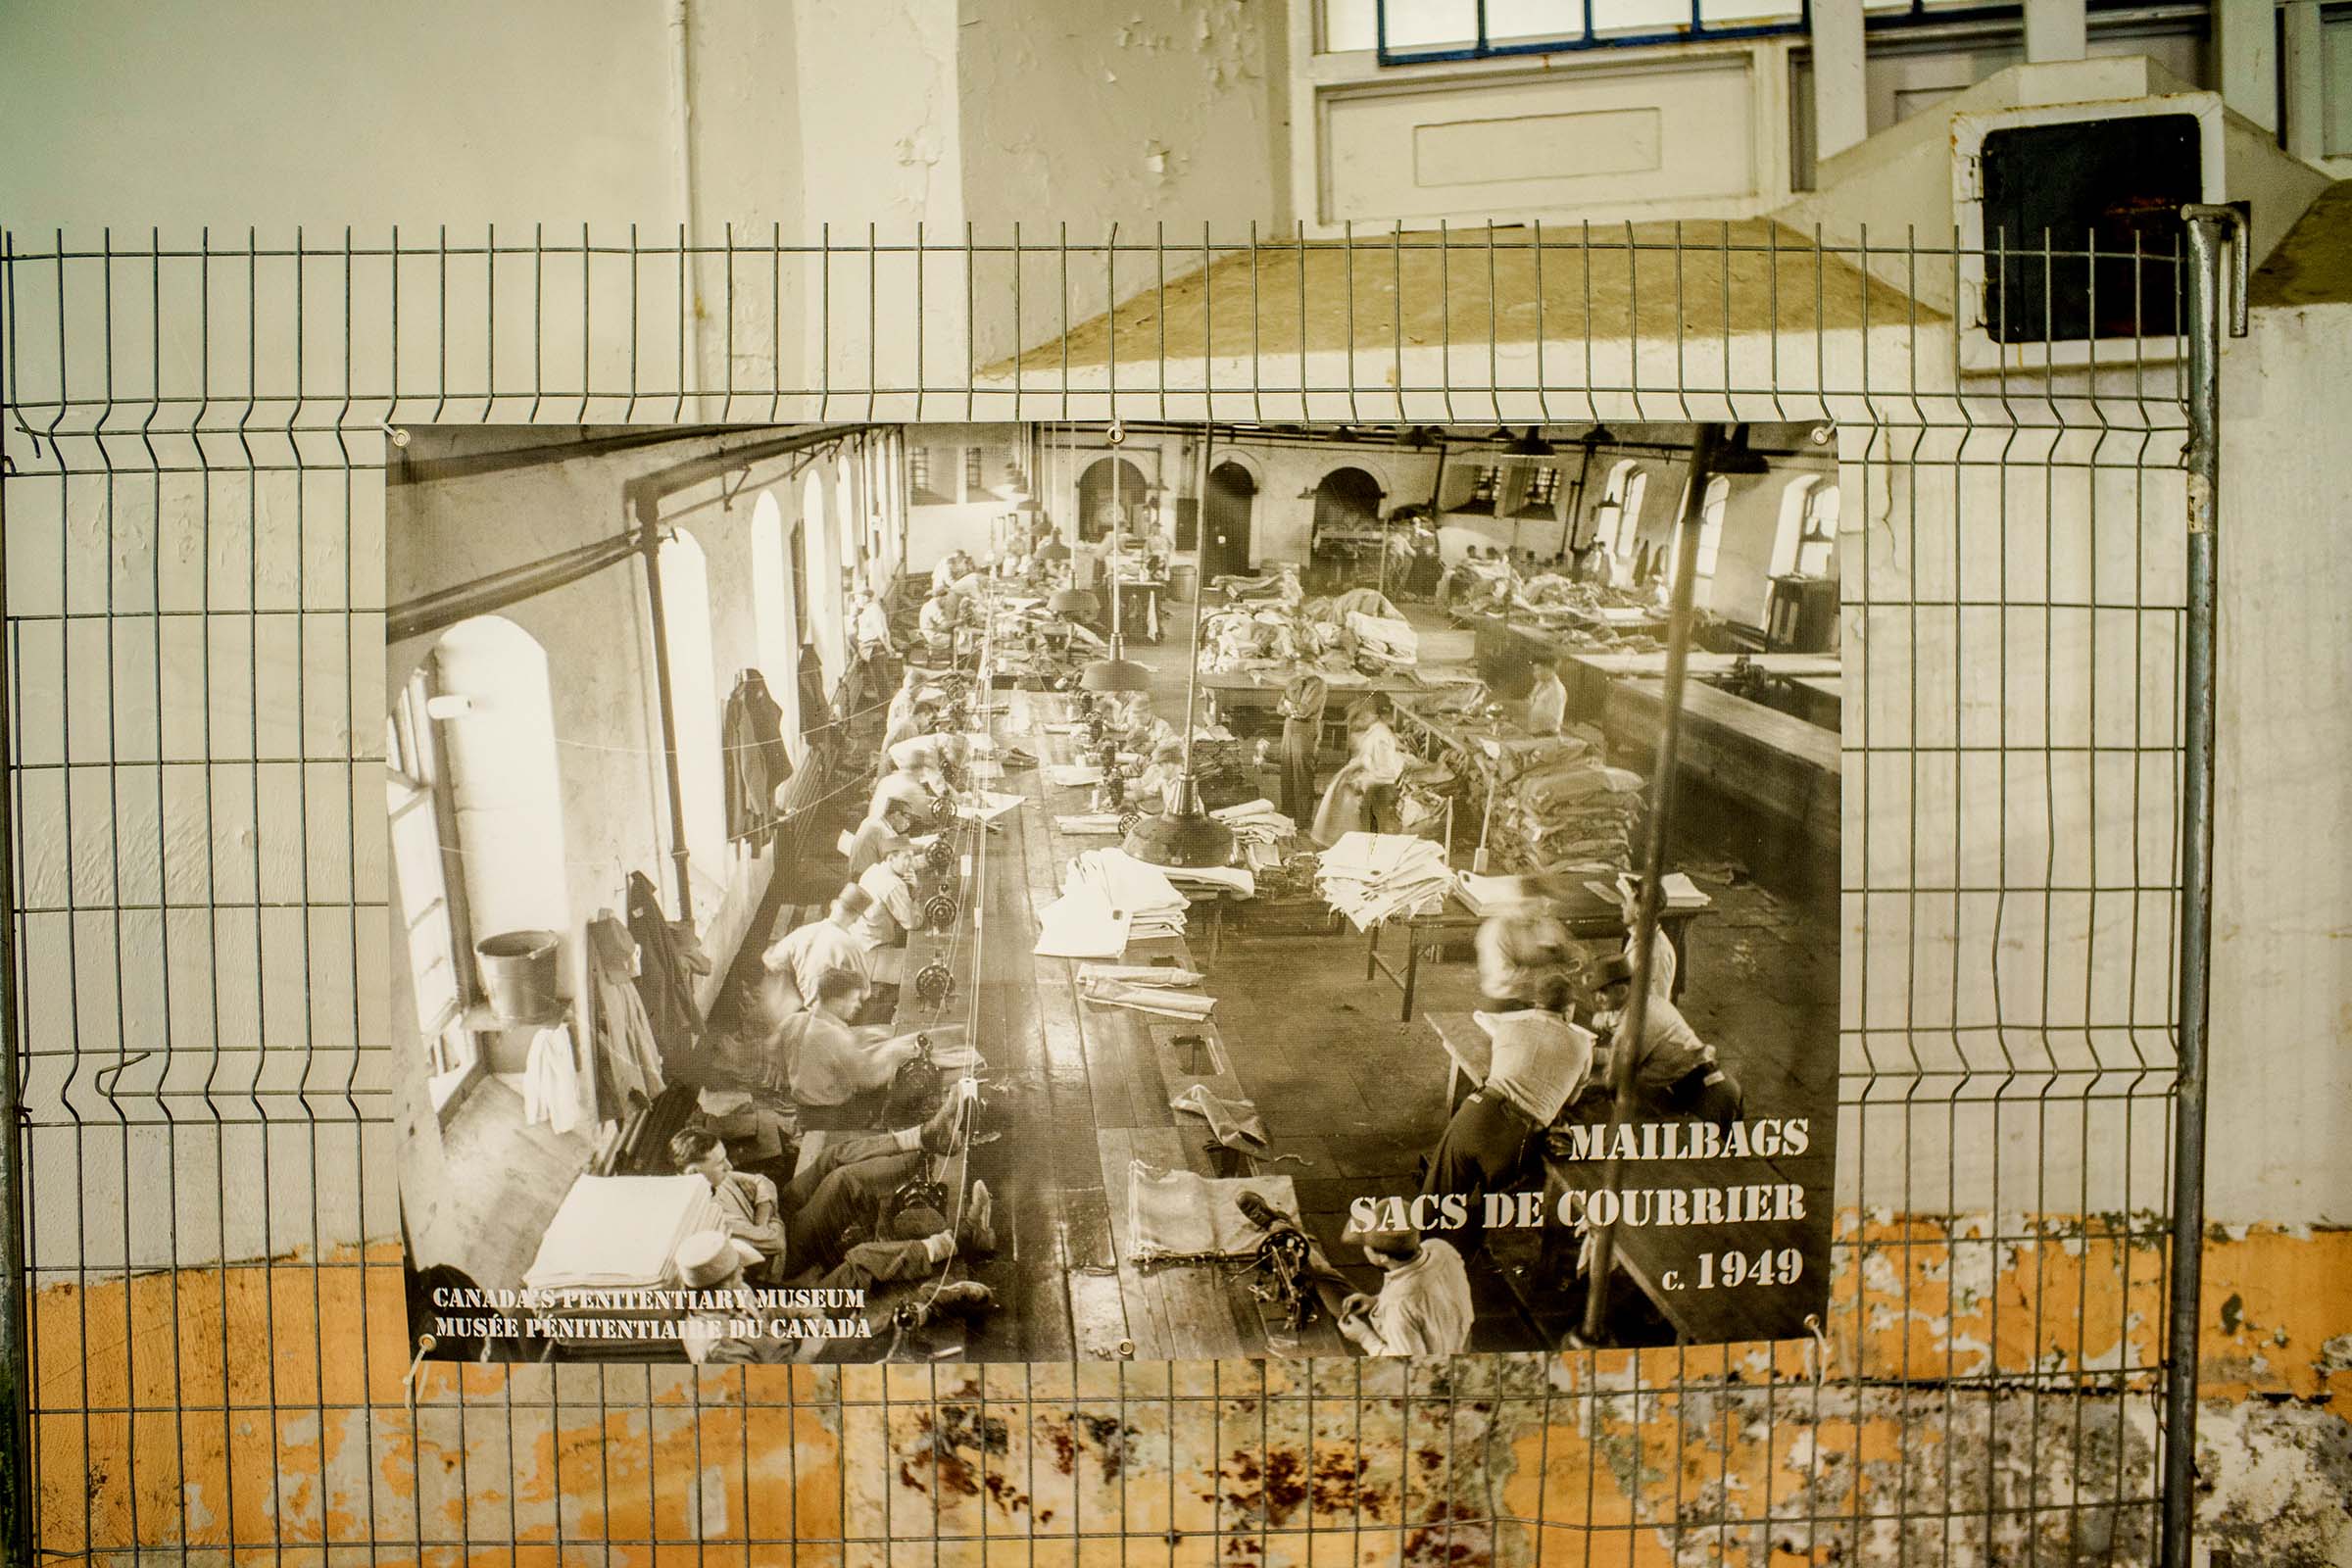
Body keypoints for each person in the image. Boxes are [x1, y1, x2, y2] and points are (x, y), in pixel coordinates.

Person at [667, 1107, 991, 1290]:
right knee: (843, 1181)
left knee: (829, 1157)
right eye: (720, 1163)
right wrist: (767, 1212)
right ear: (695, 1170)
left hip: (776, 1220)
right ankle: (957, 1237)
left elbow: (759, 1181)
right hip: (783, 1258)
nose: (730, 1165)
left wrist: (764, 1209)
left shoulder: (712, 1178)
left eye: (725, 1158)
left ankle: (923, 1138)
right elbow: (774, 1244)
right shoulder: (709, 1224)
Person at [1422, 926, 1592, 1252]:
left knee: (1437, 1195)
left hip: (1479, 1110)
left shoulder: (1508, 1027)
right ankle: (1459, 1262)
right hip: (1518, 1135)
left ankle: (1417, 1254)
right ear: (1569, 1010)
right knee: (1483, 1207)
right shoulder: (1582, 1044)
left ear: (1535, 1003)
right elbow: (1571, 1099)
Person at [672, 1229, 993, 1363]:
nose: (744, 1278)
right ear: (721, 1287)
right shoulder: (717, 1350)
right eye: (737, 1274)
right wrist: (814, 1349)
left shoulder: (732, 1293)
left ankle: (959, 1239)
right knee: (879, 1329)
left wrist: (814, 1320)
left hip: (805, 1336)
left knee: (862, 1258)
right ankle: (934, 1303)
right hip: (802, 1367)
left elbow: (777, 1309)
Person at [1587, 954, 1740, 1125]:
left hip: (1707, 1098)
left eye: (1602, 992)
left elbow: (1613, 1081)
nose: (1597, 999)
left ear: (1622, 991)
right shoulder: (1652, 1001)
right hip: (1720, 1084)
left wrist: (1587, 1065)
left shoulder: (1632, 1027)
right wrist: (1607, 1020)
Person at [777, 968, 930, 1108]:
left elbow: (777, 1058)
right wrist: (893, 1055)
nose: (858, 1006)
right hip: (829, 1115)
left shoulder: (792, 1021)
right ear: (837, 1002)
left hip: (801, 1105)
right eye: (854, 1000)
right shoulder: (835, 1037)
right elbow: (869, 1080)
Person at [1334, 1223, 1473, 1357]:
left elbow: (1405, 1362)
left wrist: (1364, 1337)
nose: (1364, 1248)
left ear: (1383, 1257)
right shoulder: (1440, 1248)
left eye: (1365, 1245)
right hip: (1461, 1338)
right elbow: (1428, 1296)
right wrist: (1376, 1300)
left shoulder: (1397, 1307)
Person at [763, 885, 878, 1013]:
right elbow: (864, 991)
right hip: (831, 1013)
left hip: (799, 1009)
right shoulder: (850, 945)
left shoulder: (801, 932)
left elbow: (771, 961)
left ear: (833, 905)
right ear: (856, 918)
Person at [852, 837, 925, 950]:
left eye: (912, 857)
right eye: (907, 858)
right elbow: (913, 923)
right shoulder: (893, 885)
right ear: (891, 859)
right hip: (875, 946)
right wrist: (917, 893)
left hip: (860, 937)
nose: (911, 863)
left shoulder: (873, 869)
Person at [1276, 669, 1328, 826]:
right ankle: (1287, 813)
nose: (1300, 668)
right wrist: (1293, 710)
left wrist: (1290, 708)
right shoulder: (1293, 682)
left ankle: (1303, 819)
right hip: (1289, 728)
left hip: (1305, 730)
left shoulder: (1319, 685)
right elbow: (1279, 708)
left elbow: (1305, 711)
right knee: (1287, 770)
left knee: (1302, 774)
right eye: (1297, 665)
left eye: (1304, 664)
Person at [1526, 662, 1568, 738]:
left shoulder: (1556, 691)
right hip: (1535, 731)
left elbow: (1554, 720)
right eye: (1534, 670)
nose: (1535, 673)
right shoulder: (1540, 683)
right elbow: (1532, 699)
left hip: (1547, 735)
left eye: (1539, 669)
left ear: (1550, 669)